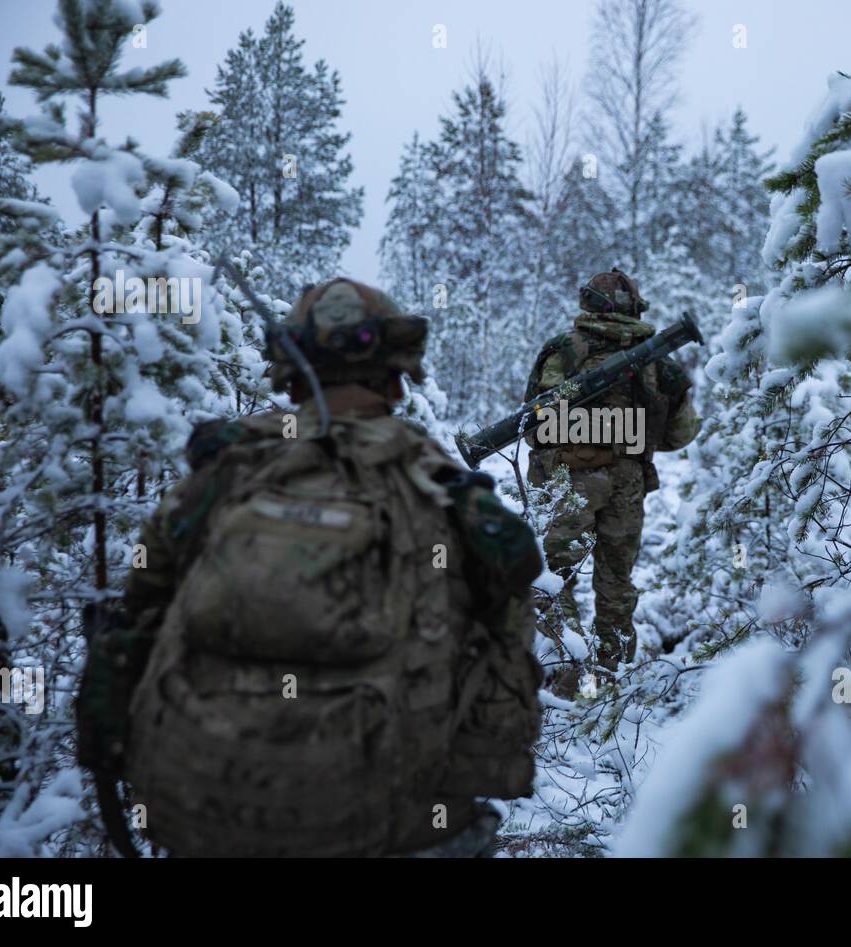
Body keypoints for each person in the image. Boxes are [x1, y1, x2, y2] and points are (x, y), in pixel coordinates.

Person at [89, 277, 543, 857]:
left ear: (290, 372)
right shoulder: (441, 486)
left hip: (198, 815)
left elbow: (138, 610)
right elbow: (508, 652)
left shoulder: (228, 468)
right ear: (398, 377)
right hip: (389, 826)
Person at [525, 269, 699, 692]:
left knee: (551, 577)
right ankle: (611, 683)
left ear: (588, 304)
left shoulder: (564, 351)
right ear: (635, 306)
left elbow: (532, 425)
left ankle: (566, 671)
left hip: (568, 480)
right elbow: (681, 433)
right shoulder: (659, 360)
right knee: (616, 583)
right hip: (628, 483)